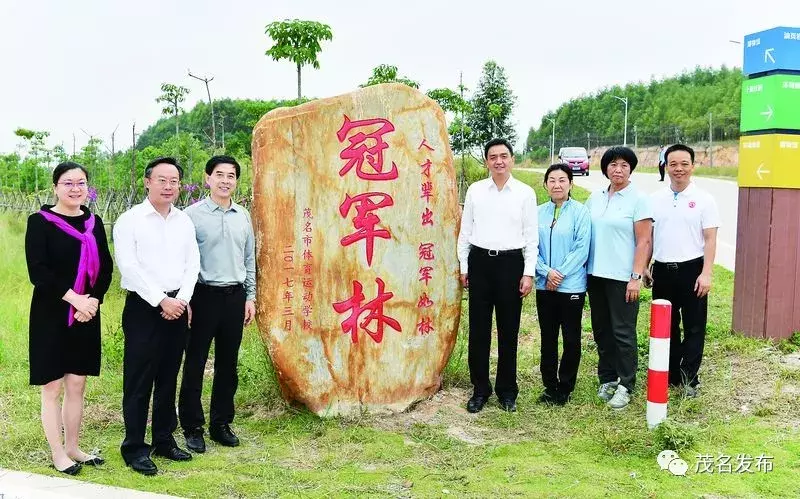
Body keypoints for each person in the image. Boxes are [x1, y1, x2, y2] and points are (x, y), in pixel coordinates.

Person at [24, 162, 113, 475]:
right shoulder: (40, 222)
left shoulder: (94, 222)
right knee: (53, 386)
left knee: (77, 383)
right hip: (52, 312)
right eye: (68, 183)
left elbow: (105, 269)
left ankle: (74, 447)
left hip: (87, 313)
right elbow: (39, 271)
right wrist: (75, 299)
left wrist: (93, 301)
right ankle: (58, 453)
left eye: (81, 183)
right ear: (55, 187)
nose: (75, 189)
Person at [113, 157, 200, 475]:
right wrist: (160, 299)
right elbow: (129, 267)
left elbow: (193, 262)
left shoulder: (184, 221)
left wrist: (182, 300)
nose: (168, 186)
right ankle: (135, 448)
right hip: (143, 308)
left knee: (167, 377)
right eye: (162, 179)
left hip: (178, 305)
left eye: (174, 180)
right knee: (139, 380)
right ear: (147, 182)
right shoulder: (130, 220)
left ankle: (164, 439)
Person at [179, 156, 256, 453]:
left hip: (234, 297)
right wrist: (185, 299)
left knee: (228, 365)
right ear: (207, 178)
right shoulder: (191, 215)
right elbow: (183, 262)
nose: (226, 181)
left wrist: (250, 296)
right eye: (220, 175)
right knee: (195, 363)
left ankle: (221, 423)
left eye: (232, 176)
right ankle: (192, 426)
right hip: (202, 296)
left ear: (236, 181)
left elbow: (249, 258)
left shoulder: (242, 216)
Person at [457, 138, 538, 413]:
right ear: (487, 161)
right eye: (493, 157)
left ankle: (507, 391)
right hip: (480, 262)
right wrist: (464, 267)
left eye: (504, 156)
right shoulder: (476, 191)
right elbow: (465, 231)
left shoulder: (525, 193)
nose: (499, 161)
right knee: (478, 331)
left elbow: (531, 238)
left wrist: (528, 273)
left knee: (508, 330)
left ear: (512, 159)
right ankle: (480, 389)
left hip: (510, 265)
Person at [648, 144, 719, 398]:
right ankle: (671, 374)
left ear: (692, 166)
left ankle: (690, 378)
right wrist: (646, 267)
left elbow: (710, 239)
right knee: (667, 327)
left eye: (684, 164)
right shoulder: (655, 199)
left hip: (692, 270)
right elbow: (650, 237)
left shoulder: (704, 199)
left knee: (694, 325)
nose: (678, 169)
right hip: (663, 271)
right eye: (673, 164)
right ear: (665, 167)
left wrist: (706, 273)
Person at [585, 146, 653, 409]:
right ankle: (607, 378)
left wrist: (636, 275)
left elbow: (644, 240)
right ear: (605, 169)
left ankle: (626, 384)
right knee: (602, 330)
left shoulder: (639, 199)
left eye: (624, 165)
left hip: (623, 278)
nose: (618, 169)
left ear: (631, 169)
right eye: (613, 165)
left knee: (623, 332)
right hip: (595, 274)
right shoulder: (596, 197)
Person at [534, 164, 591, 406]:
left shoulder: (580, 212)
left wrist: (560, 274)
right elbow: (530, 246)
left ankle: (565, 386)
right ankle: (549, 385)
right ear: (545, 184)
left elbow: (582, 248)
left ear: (571, 184)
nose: (557, 185)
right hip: (544, 285)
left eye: (562, 180)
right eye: (552, 180)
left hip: (572, 287)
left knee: (570, 338)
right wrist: (546, 272)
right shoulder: (537, 213)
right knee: (548, 338)